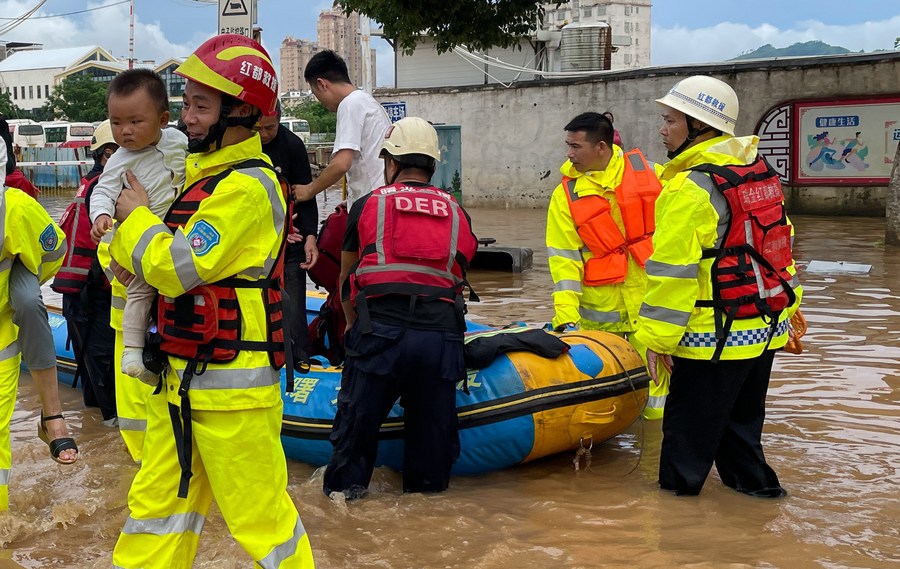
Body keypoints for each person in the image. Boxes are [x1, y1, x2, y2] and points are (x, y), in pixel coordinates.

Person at [107, 34, 314, 568]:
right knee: (156, 507)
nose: (187, 118)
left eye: (201, 106)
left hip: (233, 394)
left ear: (242, 111)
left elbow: (175, 269)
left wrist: (135, 221)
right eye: (186, 104)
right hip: (177, 379)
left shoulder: (248, 188)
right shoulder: (199, 177)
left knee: (260, 520)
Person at [634, 75, 802, 497]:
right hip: (763, 329)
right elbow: (780, 244)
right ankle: (760, 504)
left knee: (685, 444)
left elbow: (672, 274)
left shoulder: (690, 189)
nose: (661, 128)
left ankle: (673, 530)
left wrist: (656, 340)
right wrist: (790, 305)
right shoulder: (758, 170)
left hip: (714, 336)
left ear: (698, 127)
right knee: (739, 433)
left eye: (669, 120)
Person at [323, 117, 478, 500]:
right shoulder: (457, 211)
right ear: (433, 165)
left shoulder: (366, 205)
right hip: (440, 338)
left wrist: (351, 328)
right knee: (432, 446)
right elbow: (458, 273)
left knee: (354, 438)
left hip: (379, 334)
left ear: (391, 163)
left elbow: (346, 279)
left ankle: (346, 513)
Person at [544, 112, 668, 419]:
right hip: (598, 313)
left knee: (657, 396)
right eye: (567, 146)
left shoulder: (654, 175)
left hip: (651, 307)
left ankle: (651, 455)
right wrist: (566, 318)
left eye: (575, 147)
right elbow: (564, 261)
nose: (569, 154)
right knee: (598, 398)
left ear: (601, 147)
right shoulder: (566, 195)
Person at [89, 68, 188, 384]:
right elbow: (103, 190)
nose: (125, 132)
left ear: (162, 120)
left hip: (171, 236)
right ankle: (133, 350)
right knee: (141, 289)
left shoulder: (180, 142)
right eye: (116, 123)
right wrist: (101, 216)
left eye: (135, 122)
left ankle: (155, 348)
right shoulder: (120, 159)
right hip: (139, 237)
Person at [1, 183, 76, 510]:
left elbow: (54, 251)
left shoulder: (16, 207)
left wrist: (20, 281)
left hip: (4, 332)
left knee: (30, 303)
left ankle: (53, 415)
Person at [51, 120, 119, 425]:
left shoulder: (90, 184)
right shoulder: (106, 189)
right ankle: (111, 429)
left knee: (92, 368)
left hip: (77, 293)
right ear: (107, 154)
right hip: (94, 294)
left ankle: (97, 431)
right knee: (104, 367)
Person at [258, 102, 319, 366]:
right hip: (257, 237)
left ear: (279, 121)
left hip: (291, 236)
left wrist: (310, 236)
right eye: (257, 128)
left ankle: (299, 355)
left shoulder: (291, 145)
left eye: (270, 128)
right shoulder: (241, 144)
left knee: (293, 300)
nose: (263, 134)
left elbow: (307, 194)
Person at [292, 49, 390, 209]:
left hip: (371, 206)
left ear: (322, 84)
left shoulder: (349, 104)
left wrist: (309, 190)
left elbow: (341, 164)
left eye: (316, 94)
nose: (320, 102)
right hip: (379, 199)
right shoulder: (367, 102)